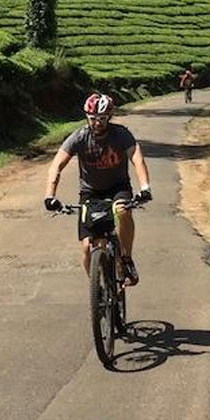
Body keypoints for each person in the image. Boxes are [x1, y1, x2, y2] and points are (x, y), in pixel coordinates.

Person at [44, 93, 151, 286]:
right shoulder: (79, 137)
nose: (97, 123)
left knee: (123, 210)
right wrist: (50, 195)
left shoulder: (121, 134)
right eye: (93, 119)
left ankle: (126, 258)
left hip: (118, 187)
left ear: (109, 117)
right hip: (90, 192)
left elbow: (137, 159)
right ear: (87, 117)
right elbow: (56, 165)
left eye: (102, 119)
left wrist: (145, 188)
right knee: (87, 248)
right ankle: (99, 288)